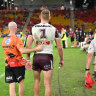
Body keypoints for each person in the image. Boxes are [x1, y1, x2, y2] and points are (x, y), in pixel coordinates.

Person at [26, 9, 64, 96]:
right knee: (47, 84)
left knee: (36, 80)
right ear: (49, 17)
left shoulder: (33, 28)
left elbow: (28, 46)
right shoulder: (54, 29)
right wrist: (62, 59)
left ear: (40, 17)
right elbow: (60, 47)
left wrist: (28, 59)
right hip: (47, 57)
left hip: (36, 57)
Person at [2, 21, 43, 96]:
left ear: (8, 28)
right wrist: (36, 49)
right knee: (21, 83)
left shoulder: (4, 39)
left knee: (11, 84)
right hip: (17, 65)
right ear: (16, 28)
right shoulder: (17, 39)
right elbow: (23, 51)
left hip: (8, 64)